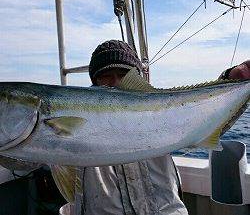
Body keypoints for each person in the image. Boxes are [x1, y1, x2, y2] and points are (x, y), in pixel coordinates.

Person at [52, 40, 250, 215]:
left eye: (124, 74)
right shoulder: (76, 124)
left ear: (138, 79)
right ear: (94, 83)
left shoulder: (161, 116)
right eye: (106, 76)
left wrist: (232, 79)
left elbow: (203, 122)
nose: (116, 82)